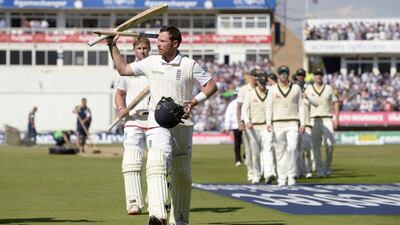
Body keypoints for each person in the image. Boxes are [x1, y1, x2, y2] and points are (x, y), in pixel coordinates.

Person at [107, 25, 218, 225]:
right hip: (156, 121)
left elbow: (211, 86)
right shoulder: (150, 62)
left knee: (181, 170)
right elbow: (123, 69)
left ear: (175, 43)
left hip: (183, 123)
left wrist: (194, 101)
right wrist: (111, 44)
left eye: (162, 41)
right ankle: (157, 216)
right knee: (156, 162)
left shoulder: (189, 64)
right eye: (157, 40)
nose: (157, 44)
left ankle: (180, 218)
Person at [113, 37, 151, 216]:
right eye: (139, 48)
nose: (142, 51)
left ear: (149, 50)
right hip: (133, 120)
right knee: (131, 162)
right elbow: (119, 94)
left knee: (156, 164)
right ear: (134, 49)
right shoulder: (127, 71)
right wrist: (121, 108)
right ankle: (134, 202)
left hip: (154, 120)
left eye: (145, 48)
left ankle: (155, 200)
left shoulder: (156, 68)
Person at [266, 65, 304, 186]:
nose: (283, 75)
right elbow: (269, 106)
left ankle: (291, 176)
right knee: (280, 152)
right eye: (281, 73)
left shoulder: (296, 88)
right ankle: (282, 178)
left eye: (285, 73)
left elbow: (301, 106)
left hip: (292, 122)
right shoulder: (273, 89)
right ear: (278, 75)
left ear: (288, 74)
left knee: (292, 148)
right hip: (277, 123)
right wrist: (268, 122)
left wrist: (302, 123)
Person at [305, 68, 340, 177]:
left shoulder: (328, 88)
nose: (318, 76)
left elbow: (335, 103)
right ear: (314, 76)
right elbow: (305, 105)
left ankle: (327, 167)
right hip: (314, 119)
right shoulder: (309, 88)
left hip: (327, 119)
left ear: (323, 76)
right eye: (316, 74)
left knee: (330, 144)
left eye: (320, 74)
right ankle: (320, 170)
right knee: (316, 147)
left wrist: (337, 118)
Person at [243, 70, 269, 184]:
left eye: (264, 82)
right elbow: (245, 109)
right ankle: (256, 174)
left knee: (268, 151)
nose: (262, 85)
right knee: (255, 153)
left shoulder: (270, 92)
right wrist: (247, 121)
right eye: (260, 82)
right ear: (257, 82)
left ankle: (268, 173)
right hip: (253, 128)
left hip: (266, 127)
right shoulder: (250, 93)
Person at [236, 69, 257, 182]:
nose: (256, 78)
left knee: (260, 150)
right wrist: (239, 122)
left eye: (258, 76)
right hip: (247, 123)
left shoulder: (262, 88)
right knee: (249, 150)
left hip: (260, 123)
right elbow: (238, 107)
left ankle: (259, 172)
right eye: (254, 75)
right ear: (250, 76)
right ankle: (251, 172)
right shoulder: (243, 90)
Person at [223, 94, 242, 167]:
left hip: (244, 125)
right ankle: (238, 160)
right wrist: (227, 127)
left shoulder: (245, 101)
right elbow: (228, 115)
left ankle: (245, 157)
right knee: (237, 144)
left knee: (247, 143)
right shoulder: (232, 103)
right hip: (235, 126)